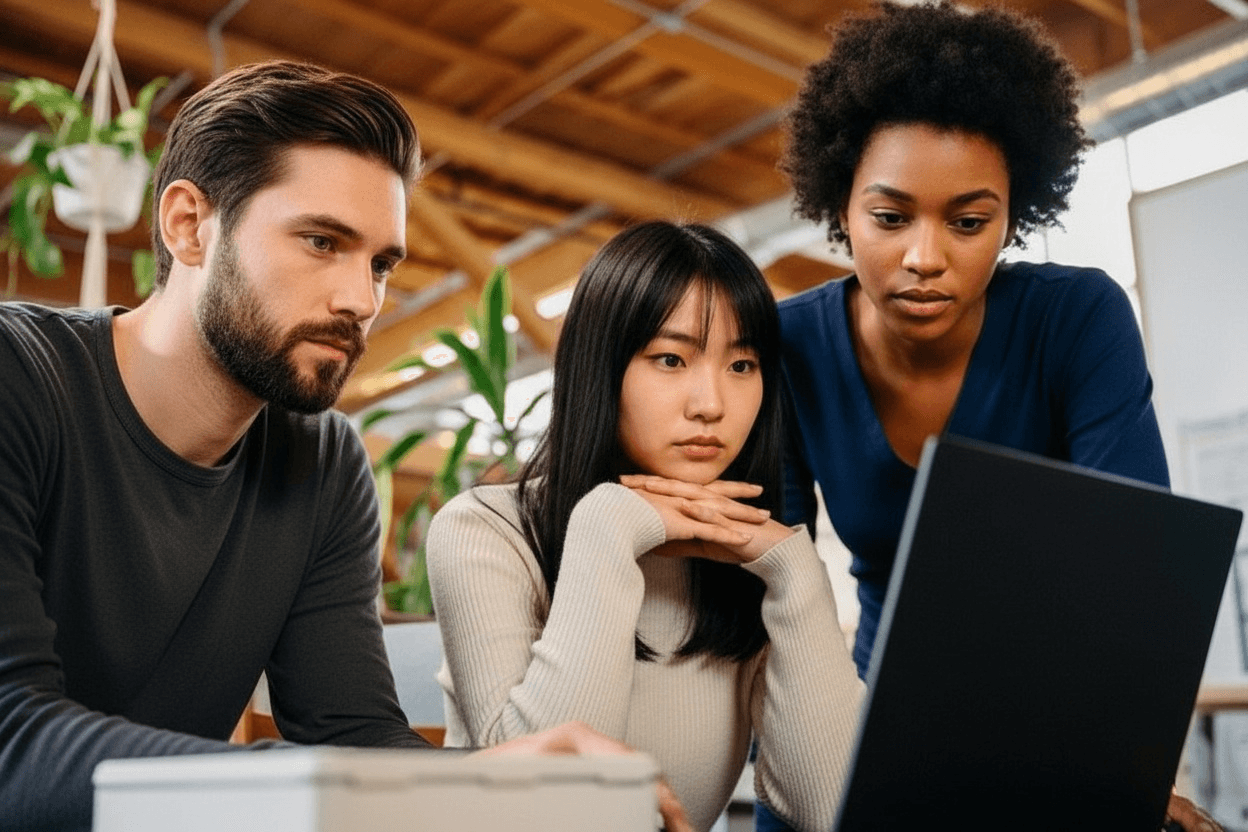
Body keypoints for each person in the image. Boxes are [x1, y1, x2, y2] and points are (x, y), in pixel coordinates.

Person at [0, 61, 690, 832]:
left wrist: (513, 787)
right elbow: (11, 748)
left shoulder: (322, 463)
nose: (360, 301)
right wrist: (367, 790)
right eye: (322, 241)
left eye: (380, 263)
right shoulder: (18, 380)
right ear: (189, 225)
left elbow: (351, 733)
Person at [767, 2, 1212, 831]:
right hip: (854, 727)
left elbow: (1133, 578)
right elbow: (772, 591)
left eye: (969, 222)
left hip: (1050, 735)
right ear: (840, 202)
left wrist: (1123, 773)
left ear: (1016, 213)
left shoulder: (1077, 320)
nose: (926, 258)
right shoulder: (789, 346)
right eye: (890, 218)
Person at [426, 221, 865, 832]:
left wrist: (795, 573)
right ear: (601, 369)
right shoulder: (485, 530)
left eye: (742, 365)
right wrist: (608, 527)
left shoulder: (745, 562)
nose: (710, 403)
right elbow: (546, 810)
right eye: (670, 358)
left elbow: (836, 812)